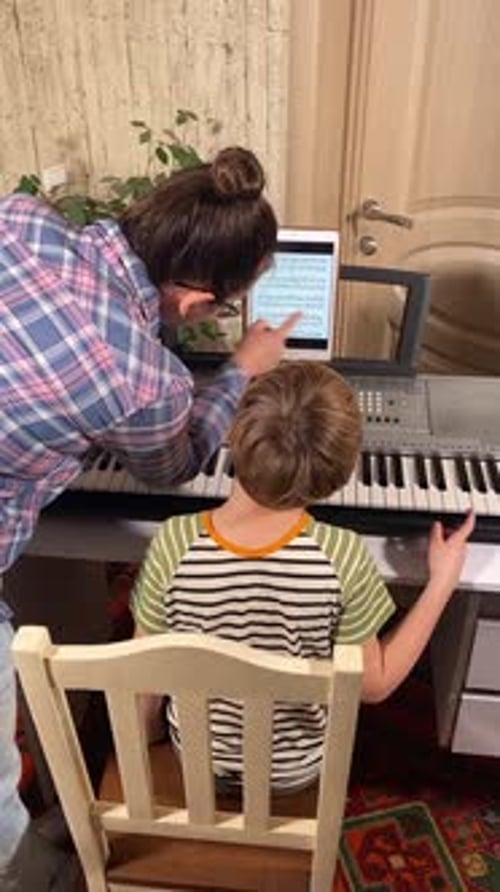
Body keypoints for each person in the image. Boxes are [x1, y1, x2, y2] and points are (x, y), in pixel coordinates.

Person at [0, 146, 298, 890]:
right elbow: (174, 462)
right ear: (197, 303)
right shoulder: (143, 380)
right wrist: (242, 368)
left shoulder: (22, 217)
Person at [132, 361, 475, 792]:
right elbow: (375, 686)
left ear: (232, 436)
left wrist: (150, 741)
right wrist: (442, 582)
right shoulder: (342, 556)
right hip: (293, 773)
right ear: (344, 474)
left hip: (197, 760)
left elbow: (143, 672)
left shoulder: (173, 542)